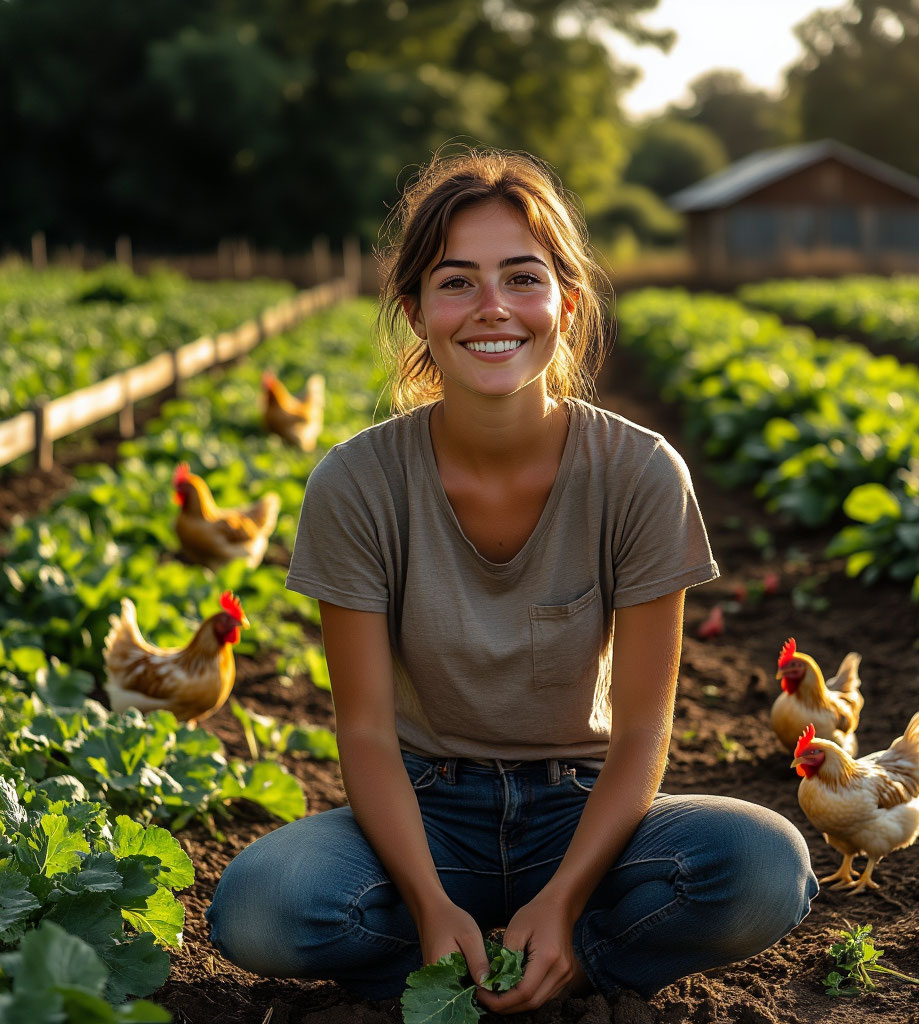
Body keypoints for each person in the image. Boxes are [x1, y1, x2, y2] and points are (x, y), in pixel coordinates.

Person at [205, 148, 818, 1011]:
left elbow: (643, 731)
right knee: (262, 910)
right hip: (423, 814)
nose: (492, 309)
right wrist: (426, 900)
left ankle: (561, 959)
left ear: (566, 304)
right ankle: (462, 955)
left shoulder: (640, 473)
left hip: (585, 808)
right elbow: (367, 731)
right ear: (415, 311)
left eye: (522, 278)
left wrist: (565, 897)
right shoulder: (356, 482)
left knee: (764, 867)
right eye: (456, 283)